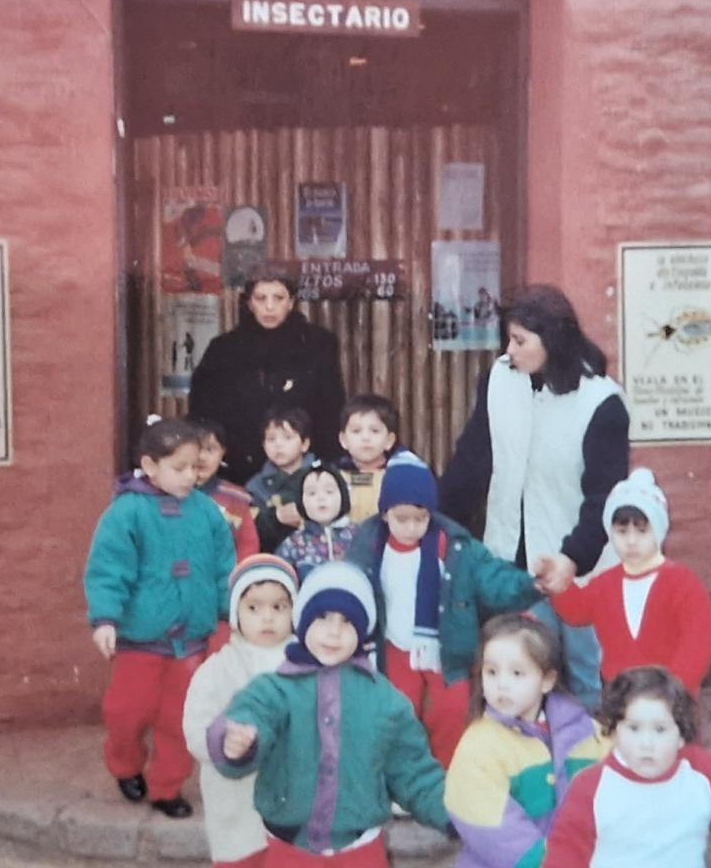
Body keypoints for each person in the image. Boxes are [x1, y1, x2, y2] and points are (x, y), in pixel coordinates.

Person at [439, 284, 630, 707]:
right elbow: (473, 462)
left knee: (586, 684)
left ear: (553, 340)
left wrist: (572, 557)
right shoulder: (499, 382)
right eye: (509, 338)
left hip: (580, 569)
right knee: (522, 683)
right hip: (513, 565)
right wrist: (432, 521)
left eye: (521, 340)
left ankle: (587, 770)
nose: (510, 350)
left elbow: (604, 499)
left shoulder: (601, 403)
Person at [207, 561, 453, 865]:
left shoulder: (386, 701)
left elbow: (415, 772)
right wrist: (236, 742)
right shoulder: (275, 689)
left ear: (363, 632)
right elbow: (249, 714)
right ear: (303, 620)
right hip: (290, 848)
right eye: (322, 617)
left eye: (347, 622)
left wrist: (460, 815)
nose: (334, 633)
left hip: (361, 849)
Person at [85, 418, 237, 819]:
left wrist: (230, 611)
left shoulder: (208, 513)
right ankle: (125, 762)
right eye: (180, 468)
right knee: (127, 712)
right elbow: (108, 569)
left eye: (196, 468)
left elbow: (225, 566)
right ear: (150, 466)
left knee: (181, 719)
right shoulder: (126, 514)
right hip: (140, 639)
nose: (190, 477)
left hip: (191, 639)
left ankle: (166, 786)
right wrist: (106, 618)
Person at [344, 461, 538, 766]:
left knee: (452, 711)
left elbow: (493, 579)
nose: (411, 527)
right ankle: (406, 780)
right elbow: (348, 589)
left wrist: (531, 583)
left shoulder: (456, 548)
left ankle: (450, 778)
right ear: (384, 514)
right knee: (398, 712)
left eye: (419, 519)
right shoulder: (367, 547)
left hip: (446, 647)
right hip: (393, 646)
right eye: (401, 518)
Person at [544, 666, 711, 868]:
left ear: (681, 735)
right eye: (634, 728)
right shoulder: (590, 787)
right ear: (613, 731)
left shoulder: (702, 773)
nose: (646, 743)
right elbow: (565, 853)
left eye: (660, 730)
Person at [445, 614, 611, 868]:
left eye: (517, 673)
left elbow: (617, 785)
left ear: (547, 680)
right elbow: (490, 826)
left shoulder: (585, 732)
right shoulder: (478, 746)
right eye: (491, 672)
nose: (502, 684)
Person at [546, 468, 711, 695]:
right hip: (618, 695)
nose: (632, 541)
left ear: (659, 531)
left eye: (642, 531)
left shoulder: (684, 585)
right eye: (622, 531)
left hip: (670, 697)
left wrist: (676, 689)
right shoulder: (605, 584)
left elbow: (698, 643)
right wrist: (559, 582)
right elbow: (577, 610)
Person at [184, 555, 302, 868]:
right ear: (236, 613)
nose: (267, 618)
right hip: (237, 803)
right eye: (254, 607)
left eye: (278, 607)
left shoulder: (307, 667)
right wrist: (224, 743)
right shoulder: (217, 670)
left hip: (296, 805)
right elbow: (196, 728)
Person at [189, 271, 347, 484]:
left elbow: (331, 408)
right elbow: (203, 411)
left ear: (291, 302)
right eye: (261, 298)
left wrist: (326, 465)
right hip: (239, 465)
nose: (269, 307)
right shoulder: (223, 349)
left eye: (278, 298)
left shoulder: (318, 344)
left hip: (302, 466)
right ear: (250, 303)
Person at [335, 394, 424, 523]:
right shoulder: (332, 476)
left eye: (375, 431)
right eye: (356, 431)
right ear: (343, 440)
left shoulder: (401, 476)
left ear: (389, 440)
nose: (365, 437)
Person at [246, 406, 320, 552]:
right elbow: (251, 531)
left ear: (304, 444)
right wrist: (276, 516)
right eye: (271, 439)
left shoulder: (322, 475)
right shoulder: (256, 486)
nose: (278, 445)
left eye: (287, 437)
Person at [274, 462, 358, 580]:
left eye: (329, 492)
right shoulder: (294, 543)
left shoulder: (360, 536)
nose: (321, 498)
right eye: (312, 493)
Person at [193, 415, 261, 560]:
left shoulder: (238, 498)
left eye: (210, 449)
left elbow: (248, 548)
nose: (202, 457)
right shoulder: (167, 494)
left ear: (222, 452)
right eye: (196, 449)